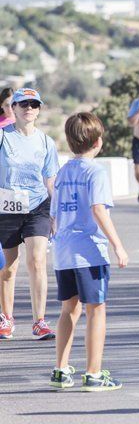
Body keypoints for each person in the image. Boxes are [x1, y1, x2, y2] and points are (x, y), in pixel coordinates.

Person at [49, 112, 128, 391]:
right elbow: (98, 209)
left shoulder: (63, 173)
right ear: (97, 142)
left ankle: (60, 369)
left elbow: (54, 215)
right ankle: (93, 373)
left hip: (63, 250)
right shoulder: (96, 172)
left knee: (69, 308)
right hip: (89, 251)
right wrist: (117, 245)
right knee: (96, 309)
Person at [0, 88, 60, 341]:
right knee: (9, 268)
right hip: (7, 204)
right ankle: (6, 318)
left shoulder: (46, 142)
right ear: (12, 109)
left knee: (37, 261)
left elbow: (51, 179)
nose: (29, 109)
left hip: (38, 206)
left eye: (34, 105)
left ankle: (40, 321)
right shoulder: (3, 137)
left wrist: (56, 212)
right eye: (23, 104)